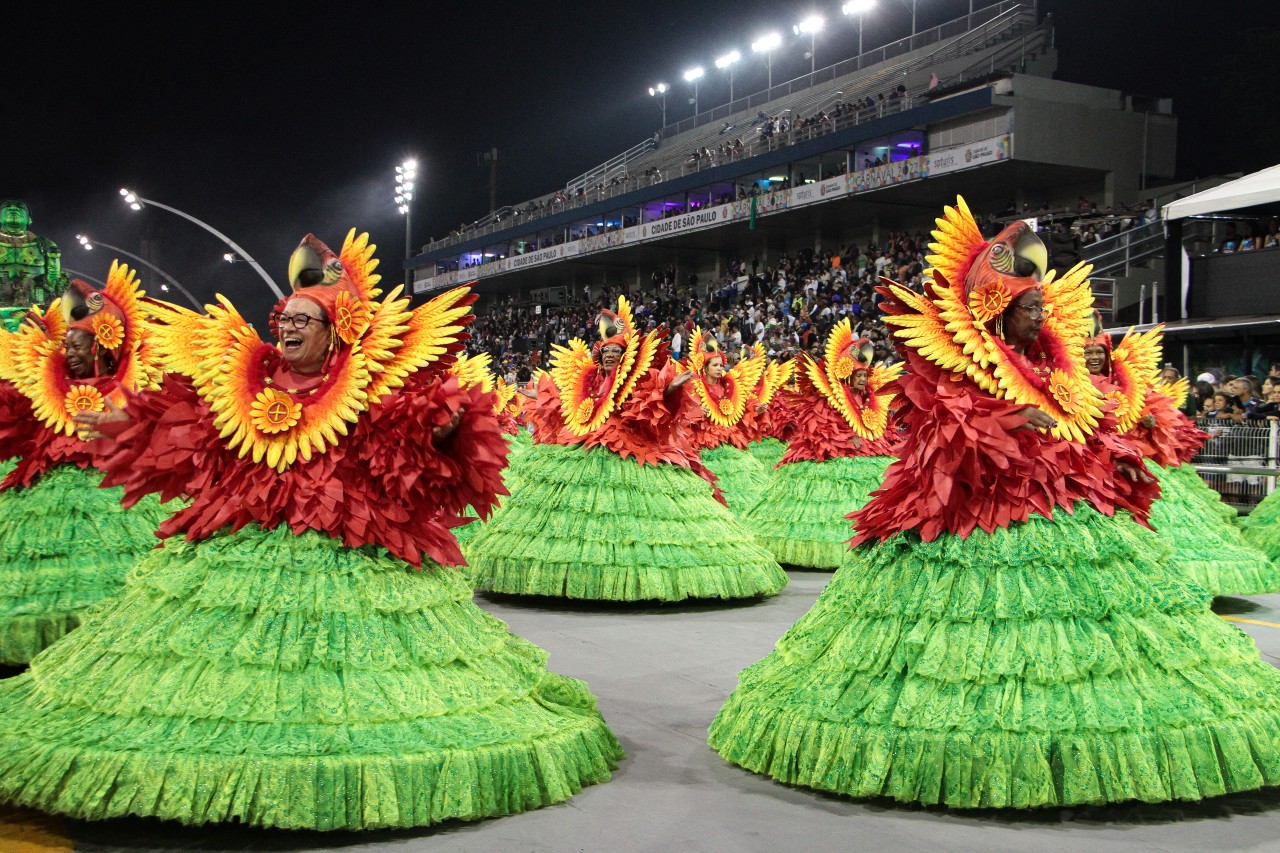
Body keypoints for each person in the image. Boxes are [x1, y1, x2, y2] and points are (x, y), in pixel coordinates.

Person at [0, 231, 621, 829]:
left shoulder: (365, 387)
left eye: (303, 320)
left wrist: (442, 431)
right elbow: (197, 432)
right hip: (245, 537)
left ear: (334, 330)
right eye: (284, 320)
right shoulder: (245, 385)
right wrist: (127, 424)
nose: (289, 328)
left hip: (347, 542)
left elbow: (398, 440)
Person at [710, 196, 1280, 809]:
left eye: (1041, 308)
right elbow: (941, 423)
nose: (1040, 319)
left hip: (1063, 505)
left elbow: (1077, 418)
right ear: (999, 311)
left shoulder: (1051, 369)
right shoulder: (962, 366)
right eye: (1030, 308)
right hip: (976, 509)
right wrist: (1007, 420)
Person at [463, 296, 787, 601]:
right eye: (604, 353)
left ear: (626, 358)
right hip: (588, 450)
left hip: (633, 452)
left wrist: (670, 388)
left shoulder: (637, 380)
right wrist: (543, 398)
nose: (608, 357)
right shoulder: (589, 382)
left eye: (615, 353)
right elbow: (570, 406)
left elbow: (650, 404)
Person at [0, 270, 173, 664]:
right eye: (67, 346)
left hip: (112, 489)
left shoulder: (132, 389)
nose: (71, 353)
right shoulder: (48, 387)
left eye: (79, 346)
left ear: (102, 347)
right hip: (43, 487)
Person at [741, 320, 900, 570]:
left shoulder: (871, 398)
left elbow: (882, 426)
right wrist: (847, 440)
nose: (862, 380)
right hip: (832, 454)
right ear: (847, 375)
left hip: (870, 453)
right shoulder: (829, 398)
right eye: (857, 375)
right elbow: (820, 428)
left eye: (864, 376)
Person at [681, 332, 770, 510]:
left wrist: (757, 409)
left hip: (729, 440)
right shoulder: (694, 386)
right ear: (704, 368)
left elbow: (744, 405)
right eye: (715, 365)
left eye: (721, 365)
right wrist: (696, 411)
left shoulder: (729, 386)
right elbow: (682, 410)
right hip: (704, 442)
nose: (719, 368)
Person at [0, 200, 66, 331]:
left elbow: (53, 281)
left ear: (29, 219)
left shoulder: (45, 245)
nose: (13, 208)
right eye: (6, 207)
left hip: (35, 314)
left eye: (20, 208)